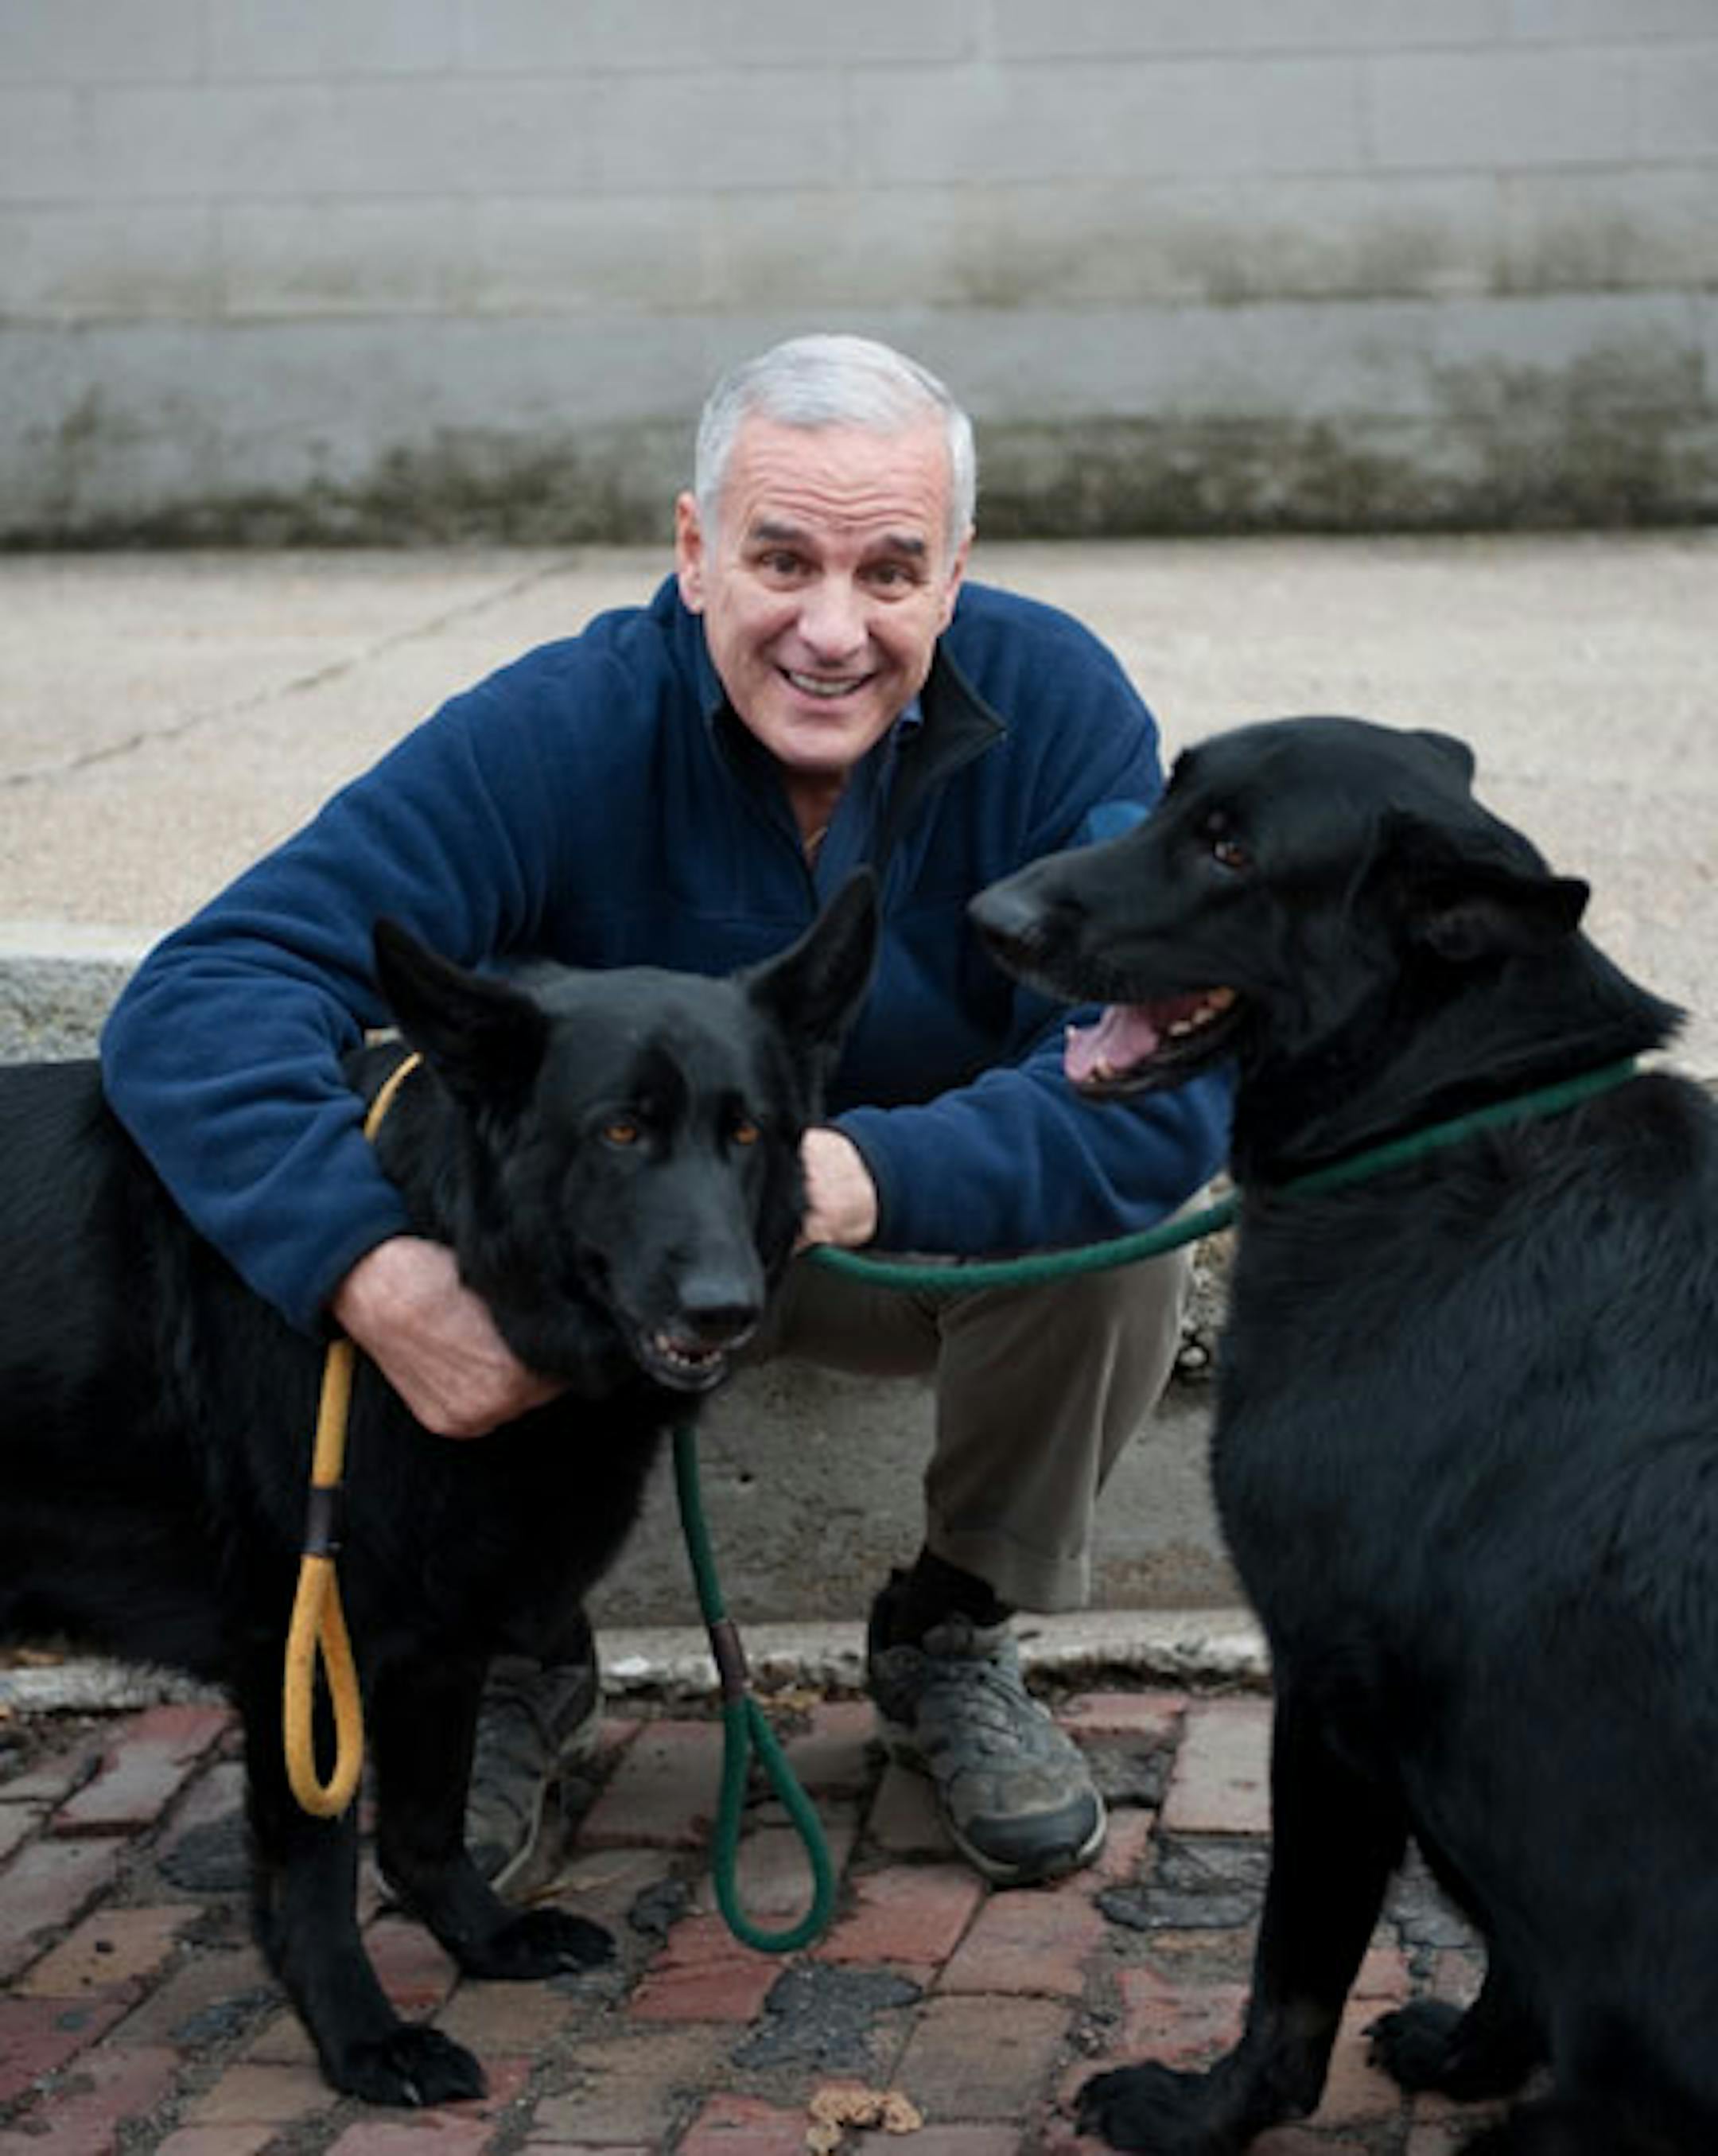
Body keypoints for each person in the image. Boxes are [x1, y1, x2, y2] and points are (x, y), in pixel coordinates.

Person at [100, 333, 1230, 1892]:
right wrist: (370, 1269)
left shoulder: (1058, 709)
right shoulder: (560, 723)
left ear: (957, 572)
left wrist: (851, 1174)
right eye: (782, 559)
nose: (832, 629)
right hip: (594, 1262)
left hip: (879, 1234)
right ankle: (507, 1658)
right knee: (425, 1156)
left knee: (1134, 1216)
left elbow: (1160, 1073)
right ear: (694, 550)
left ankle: (953, 1624)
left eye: (891, 571)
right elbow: (209, 989)